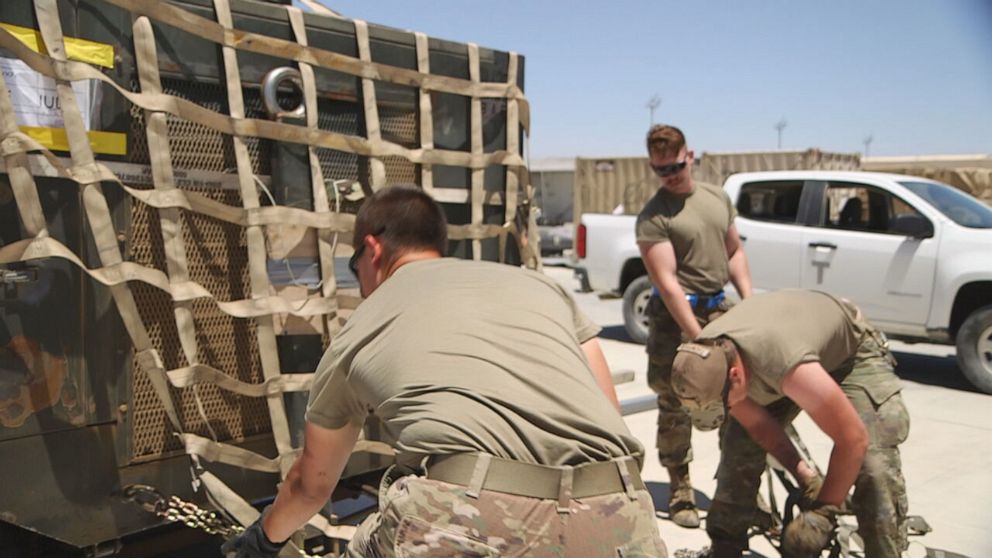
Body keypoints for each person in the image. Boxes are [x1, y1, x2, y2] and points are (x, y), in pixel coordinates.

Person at [223, 185, 668, 558]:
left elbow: (311, 485)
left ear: (373, 250)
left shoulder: (358, 328)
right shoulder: (542, 287)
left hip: (471, 522)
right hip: (623, 517)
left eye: (352, 265)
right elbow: (610, 416)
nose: (357, 280)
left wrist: (263, 539)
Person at [670, 289, 910, 557]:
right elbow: (761, 428)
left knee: (874, 465)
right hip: (780, 352)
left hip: (849, 353)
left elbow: (853, 440)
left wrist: (823, 513)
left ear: (735, 375)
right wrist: (806, 477)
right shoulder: (710, 358)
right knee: (739, 445)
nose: (729, 408)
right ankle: (725, 548)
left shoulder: (786, 365)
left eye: (725, 403)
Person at [636, 124, 752, 528]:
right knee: (675, 404)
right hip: (676, 320)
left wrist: (748, 305)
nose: (669, 176)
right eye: (660, 169)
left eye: (674, 166)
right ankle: (680, 490)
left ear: (690, 155)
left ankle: (733, 491)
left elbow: (734, 251)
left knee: (736, 400)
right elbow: (668, 284)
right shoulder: (654, 217)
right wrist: (696, 336)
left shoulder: (717, 198)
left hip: (721, 310)